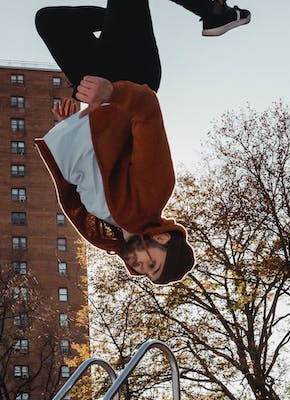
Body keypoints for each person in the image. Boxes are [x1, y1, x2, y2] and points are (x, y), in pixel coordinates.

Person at [35, 0, 240, 283]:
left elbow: (88, 167)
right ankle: (213, 12)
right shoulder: (154, 193)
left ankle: (129, 18)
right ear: (163, 238)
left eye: (146, 273)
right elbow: (147, 109)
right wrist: (112, 92)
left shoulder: (108, 228)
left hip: (96, 88)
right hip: (131, 75)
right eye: (152, 264)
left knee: (51, 22)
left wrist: (69, 128)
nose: (141, 268)